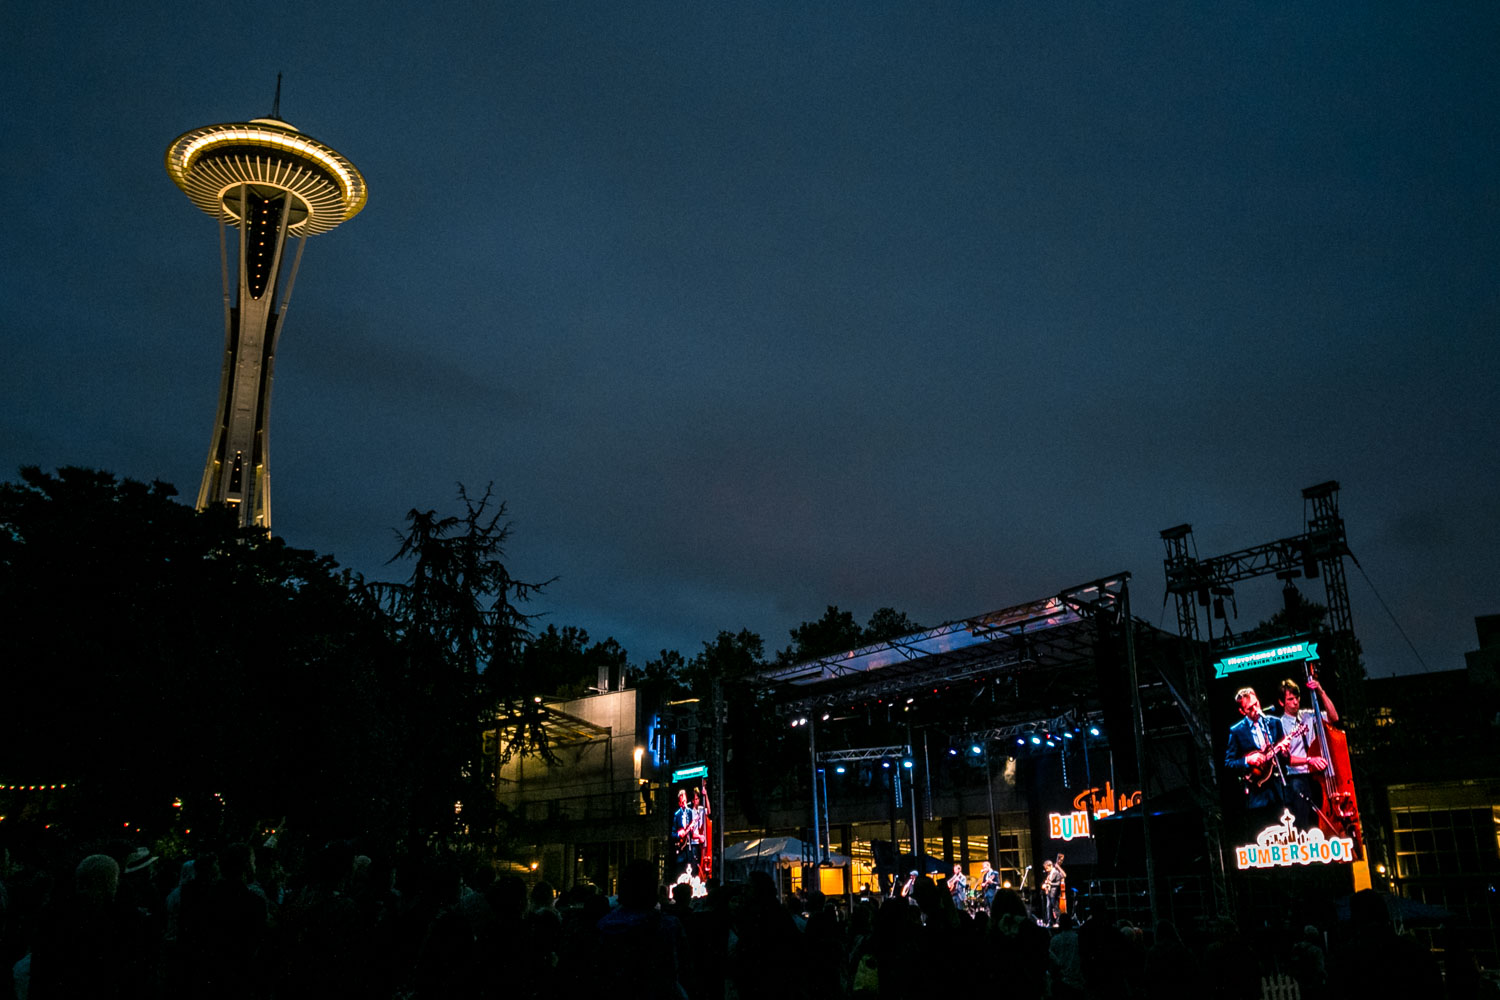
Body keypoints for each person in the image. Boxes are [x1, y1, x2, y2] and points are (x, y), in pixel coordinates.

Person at [1275, 677, 1339, 830]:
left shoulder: (1307, 715)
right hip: (1297, 777)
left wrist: (1320, 691)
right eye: (1290, 699)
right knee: (1302, 820)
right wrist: (1309, 760)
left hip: (1316, 774)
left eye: (1296, 698)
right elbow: (1287, 759)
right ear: (1281, 702)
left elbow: (1334, 717)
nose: (1295, 702)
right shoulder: (1279, 724)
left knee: (1322, 814)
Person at [1224, 687, 1290, 832]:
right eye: (1250, 708)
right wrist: (1248, 760)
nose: (1255, 709)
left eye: (1256, 704)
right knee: (1263, 835)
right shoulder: (1237, 731)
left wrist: (1284, 753)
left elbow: (1285, 759)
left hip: (1278, 790)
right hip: (1257, 795)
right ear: (1243, 711)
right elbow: (1228, 763)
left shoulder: (1274, 723)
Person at [671, 790, 697, 875]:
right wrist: (679, 834)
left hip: (690, 845)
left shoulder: (690, 812)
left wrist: (692, 828)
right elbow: (673, 833)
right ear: (679, 803)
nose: (684, 804)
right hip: (681, 847)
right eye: (682, 802)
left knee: (691, 866)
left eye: (685, 801)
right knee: (681, 869)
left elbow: (693, 828)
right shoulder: (677, 814)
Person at [1041, 858, 1065, 927]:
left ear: (1050, 866)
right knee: (1048, 907)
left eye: (1047, 868)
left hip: (1054, 893)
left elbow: (1058, 883)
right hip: (1049, 892)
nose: (1046, 870)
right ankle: (1050, 921)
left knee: (1055, 907)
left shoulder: (1056, 873)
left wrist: (1050, 883)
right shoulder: (1049, 874)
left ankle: (1058, 922)